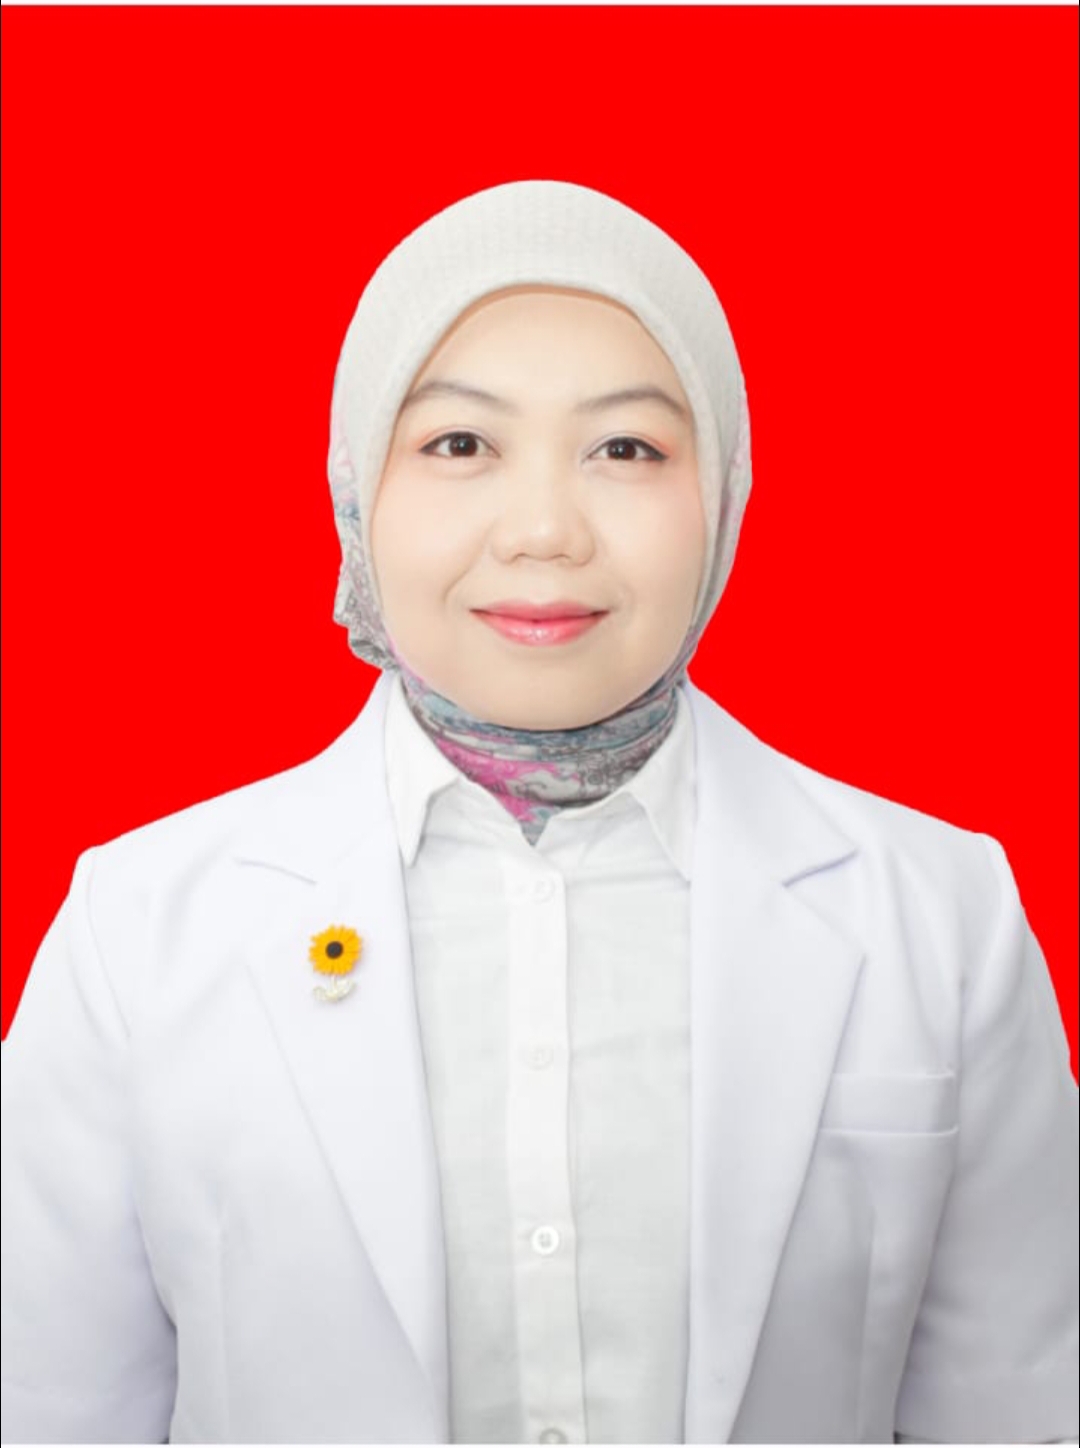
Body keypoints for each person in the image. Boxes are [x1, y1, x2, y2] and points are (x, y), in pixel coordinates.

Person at [1, 179, 1076, 1446]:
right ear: (357, 491)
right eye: (461, 444)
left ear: (723, 493)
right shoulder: (136, 929)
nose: (545, 529)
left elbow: (1023, 1409)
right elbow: (49, 1408)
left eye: (626, 449)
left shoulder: (942, 916)